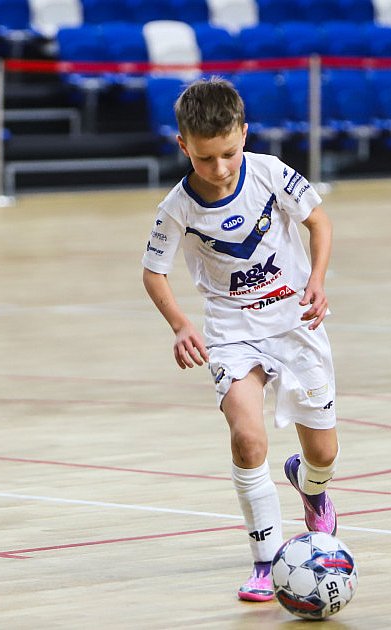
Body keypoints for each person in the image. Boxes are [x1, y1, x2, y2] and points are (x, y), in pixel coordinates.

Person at [141, 77, 340, 602]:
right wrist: (181, 324)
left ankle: (312, 487)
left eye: (229, 153)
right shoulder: (177, 207)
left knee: (323, 453)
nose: (220, 168)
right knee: (247, 438)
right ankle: (266, 561)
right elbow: (153, 273)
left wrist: (317, 280)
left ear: (244, 135)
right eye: (205, 158)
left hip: (296, 325)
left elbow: (319, 222)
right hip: (232, 335)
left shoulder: (271, 173)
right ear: (183, 145)